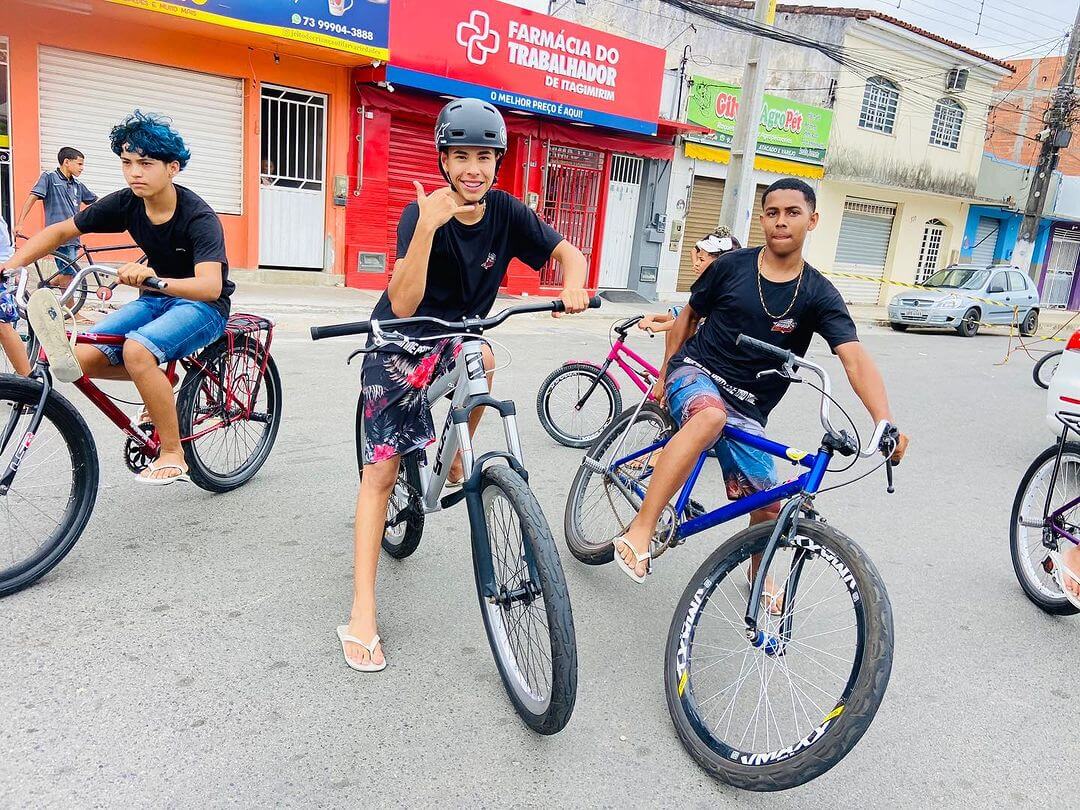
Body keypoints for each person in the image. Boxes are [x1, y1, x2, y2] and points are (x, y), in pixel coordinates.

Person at [338, 97, 590, 672]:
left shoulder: (505, 210)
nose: (472, 168)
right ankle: (361, 609)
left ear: (497, 162)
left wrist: (573, 282)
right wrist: (427, 226)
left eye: (484, 156)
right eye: (461, 156)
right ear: (444, 160)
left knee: (486, 358)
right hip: (402, 339)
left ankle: (454, 454)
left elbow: (564, 252)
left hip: (461, 334)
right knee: (380, 474)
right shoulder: (421, 213)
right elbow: (402, 301)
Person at [612, 178, 909, 608]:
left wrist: (885, 420)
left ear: (813, 220)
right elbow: (688, 317)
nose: (781, 222)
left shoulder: (819, 293)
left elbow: (854, 358)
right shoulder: (731, 267)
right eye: (772, 213)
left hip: (749, 405)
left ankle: (759, 572)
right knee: (709, 418)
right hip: (696, 373)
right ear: (762, 220)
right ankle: (640, 529)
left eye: (792, 213)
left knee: (768, 503)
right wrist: (664, 374)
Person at [1, 111, 232, 484]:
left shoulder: (198, 216)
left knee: (137, 351)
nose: (134, 172)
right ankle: (155, 383)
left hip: (203, 306)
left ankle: (174, 451)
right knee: (79, 360)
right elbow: (61, 231)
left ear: (172, 168)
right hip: (156, 298)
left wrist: (155, 278)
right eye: (127, 163)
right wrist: (11, 265)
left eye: (145, 163)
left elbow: (210, 286)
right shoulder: (127, 202)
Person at [638, 226, 740, 335]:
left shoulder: (725, 289)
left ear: (720, 263)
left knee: (678, 315)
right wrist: (655, 317)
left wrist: (659, 326)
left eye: (701, 260)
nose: (696, 264)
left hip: (719, 342)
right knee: (675, 312)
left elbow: (693, 319)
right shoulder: (716, 283)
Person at [16, 147, 98, 274]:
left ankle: (49, 285)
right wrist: (20, 223)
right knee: (70, 274)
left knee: (68, 273)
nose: (82, 168)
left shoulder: (78, 185)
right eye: (79, 164)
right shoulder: (49, 177)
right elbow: (31, 198)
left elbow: (96, 202)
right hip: (57, 234)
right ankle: (67, 294)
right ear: (66, 162)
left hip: (74, 235)